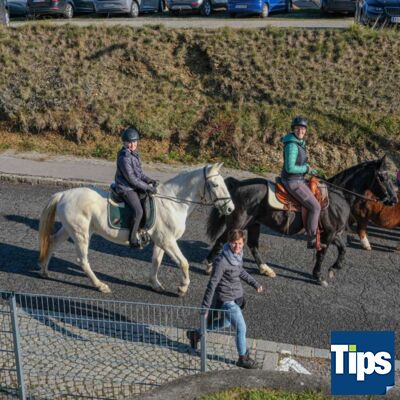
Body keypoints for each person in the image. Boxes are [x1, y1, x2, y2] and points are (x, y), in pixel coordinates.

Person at [187, 229, 263, 369]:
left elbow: (240, 271)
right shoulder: (221, 261)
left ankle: (195, 334)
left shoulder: (237, 255)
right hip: (227, 300)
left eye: (240, 243)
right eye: (234, 243)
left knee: (224, 323)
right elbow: (212, 284)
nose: (237, 246)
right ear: (229, 242)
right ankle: (243, 358)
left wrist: (255, 284)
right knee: (241, 328)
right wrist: (205, 308)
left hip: (236, 297)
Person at [281, 116, 322, 250]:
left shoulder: (299, 143)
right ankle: (311, 239)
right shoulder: (292, 145)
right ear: (293, 129)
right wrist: (306, 169)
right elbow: (290, 168)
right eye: (298, 128)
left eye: (303, 129)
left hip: (299, 178)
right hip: (292, 181)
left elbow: (300, 163)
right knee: (315, 207)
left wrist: (311, 170)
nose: (300, 131)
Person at [115, 127, 158, 248]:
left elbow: (139, 174)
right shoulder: (124, 157)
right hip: (125, 187)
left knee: (146, 199)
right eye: (129, 142)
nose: (132, 144)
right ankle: (132, 238)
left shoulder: (134, 154)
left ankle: (142, 227)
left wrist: (149, 180)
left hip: (133, 185)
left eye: (134, 141)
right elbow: (132, 179)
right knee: (138, 211)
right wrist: (148, 187)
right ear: (124, 143)